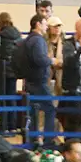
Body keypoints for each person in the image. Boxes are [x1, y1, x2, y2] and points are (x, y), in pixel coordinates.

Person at [22, 15, 56, 146]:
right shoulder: (38, 40)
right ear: (37, 24)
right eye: (44, 23)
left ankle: (32, 139)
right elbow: (40, 59)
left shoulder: (28, 40)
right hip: (39, 81)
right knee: (50, 109)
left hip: (30, 80)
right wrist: (51, 60)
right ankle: (48, 140)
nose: (46, 26)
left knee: (32, 110)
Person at [0, 12, 23, 132]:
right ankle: (12, 126)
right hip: (13, 70)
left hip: (0, 71)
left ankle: (3, 126)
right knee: (11, 97)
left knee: (2, 97)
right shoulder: (18, 35)